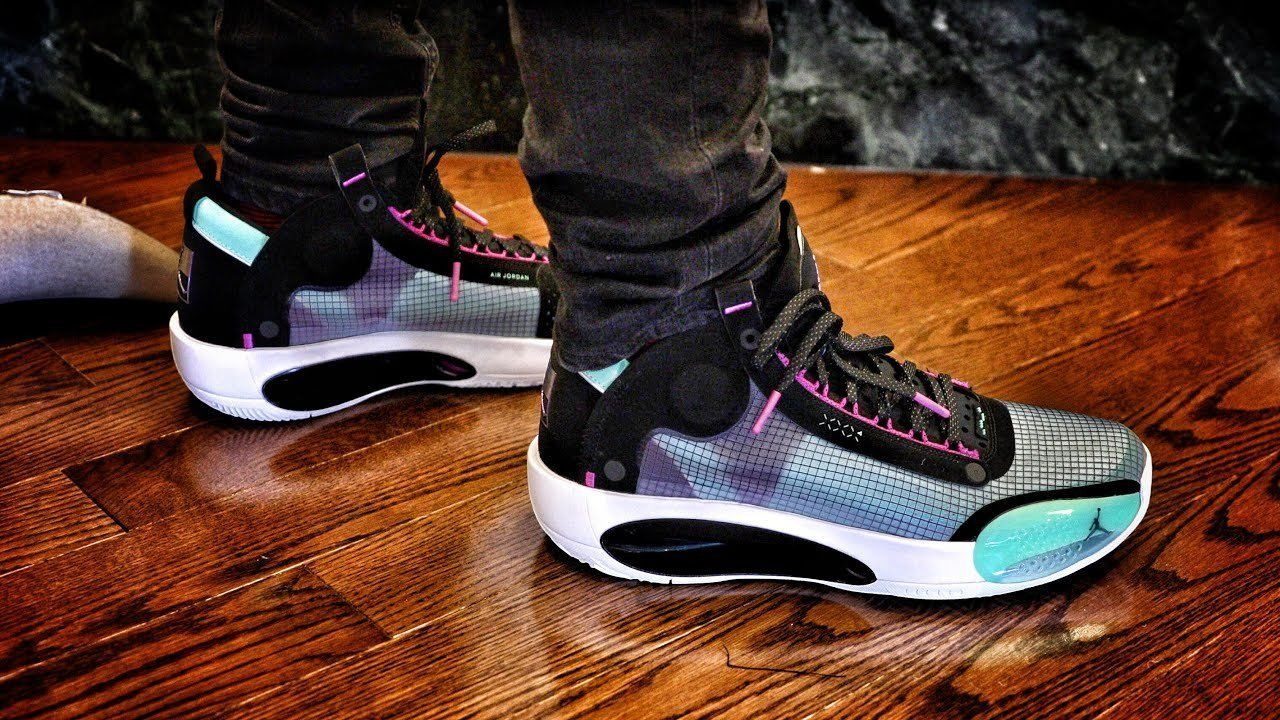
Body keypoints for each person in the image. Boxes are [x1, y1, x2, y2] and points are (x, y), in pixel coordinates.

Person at [170, 0, 1151, 599]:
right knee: (670, 282)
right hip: (669, 376)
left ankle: (295, 185)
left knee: (306, 152)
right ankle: (680, 332)